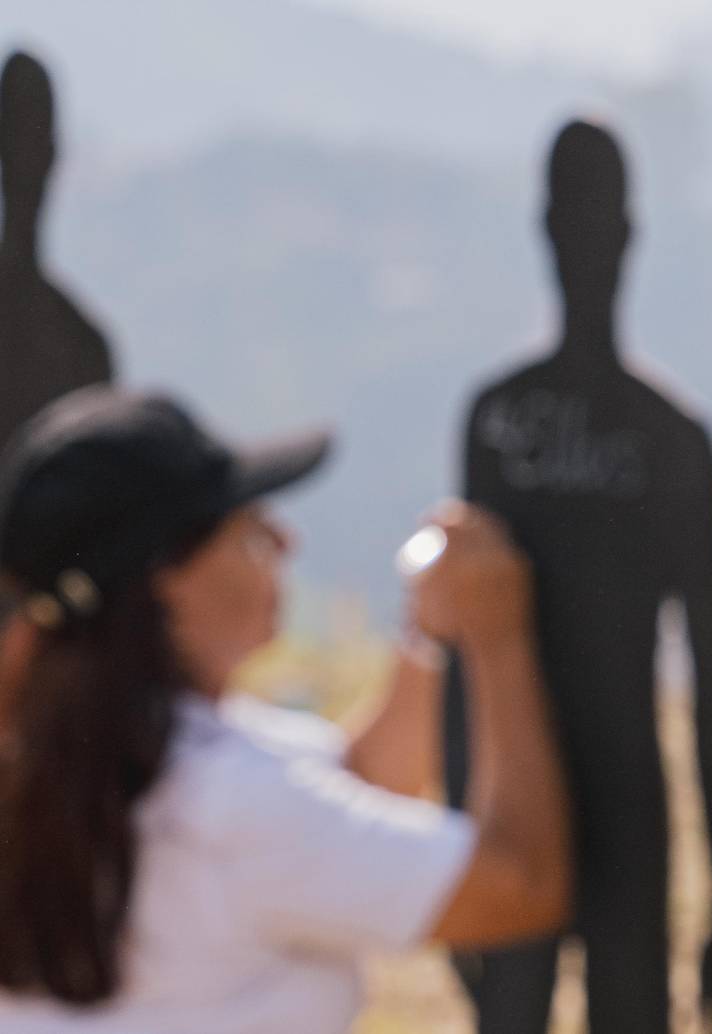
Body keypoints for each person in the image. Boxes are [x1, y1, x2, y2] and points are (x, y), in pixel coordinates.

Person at [0, 385, 570, 1032]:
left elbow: (349, 787)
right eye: (247, 529)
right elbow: (517, 887)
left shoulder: (59, 761)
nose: (285, 540)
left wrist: (432, 635)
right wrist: (499, 639)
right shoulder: (229, 804)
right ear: (167, 577)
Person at [444, 119, 712, 1033]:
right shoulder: (504, 423)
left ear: (622, 238)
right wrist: (461, 848)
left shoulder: (665, 440)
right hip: (530, 798)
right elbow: (463, 643)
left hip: (620, 805)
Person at [0, 51, 114, 451]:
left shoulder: (81, 345)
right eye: (17, 143)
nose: (26, 162)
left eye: (36, 143)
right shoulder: (80, 343)